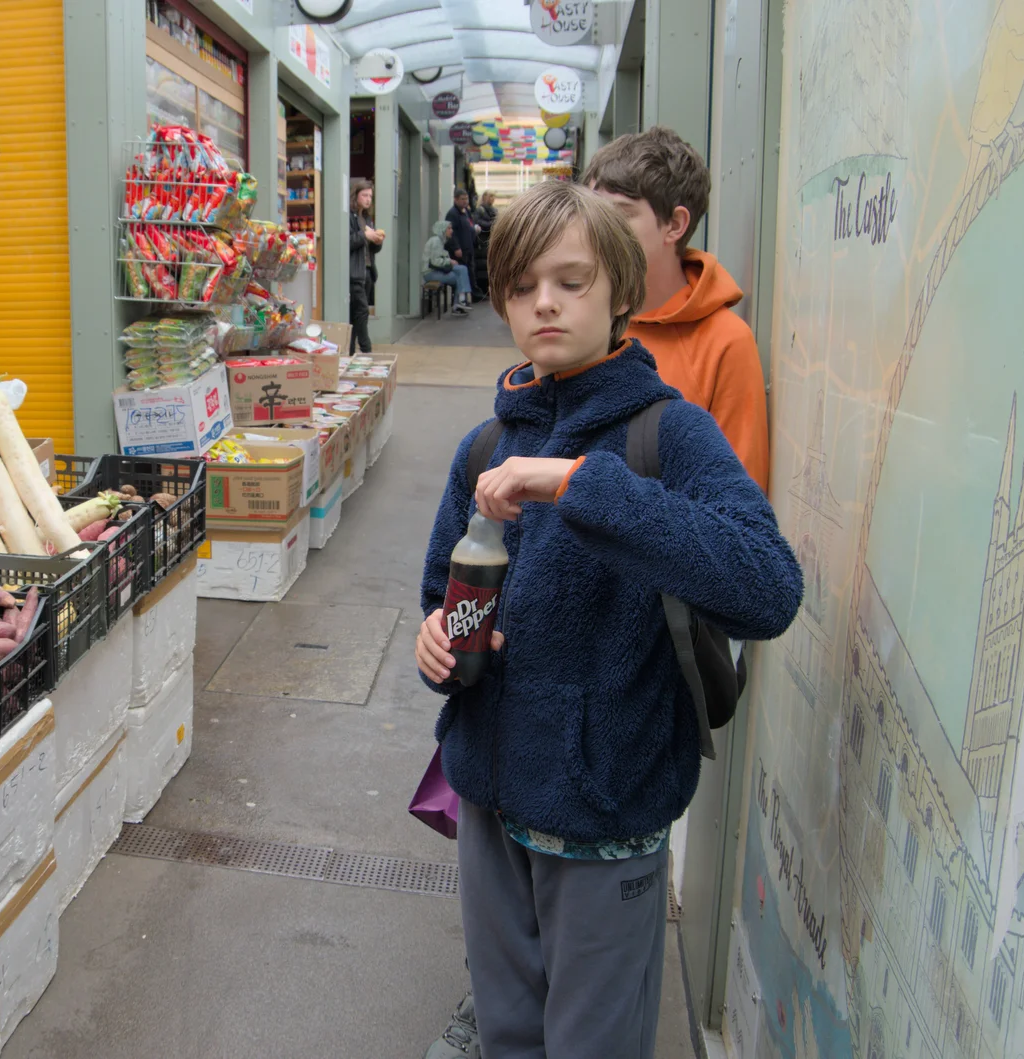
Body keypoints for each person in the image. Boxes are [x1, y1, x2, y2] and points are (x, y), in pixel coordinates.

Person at [415, 181, 801, 1059]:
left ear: (621, 292)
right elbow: (441, 586)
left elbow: (769, 587)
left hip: (607, 813)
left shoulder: (671, 436)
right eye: (521, 286)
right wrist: (433, 640)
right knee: (508, 1033)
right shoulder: (485, 443)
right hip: (487, 799)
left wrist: (579, 483)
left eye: (572, 280)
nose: (544, 302)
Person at [583, 126, 770, 491]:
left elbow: (739, 504)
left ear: (675, 225)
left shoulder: (725, 341)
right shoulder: (578, 317)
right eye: (592, 213)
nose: (596, 231)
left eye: (619, 214)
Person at [350, 179, 385, 353]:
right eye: (364, 195)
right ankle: (366, 348)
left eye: (370, 196)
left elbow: (373, 249)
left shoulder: (367, 218)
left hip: (368, 271)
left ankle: (351, 349)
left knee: (358, 315)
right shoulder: (350, 217)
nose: (368, 199)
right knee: (362, 311)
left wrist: (377, 241)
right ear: (355, 196)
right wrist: (365, 236)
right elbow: (347, 242)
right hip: (355, 272)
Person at [423, 220, 472, 315]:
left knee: (461, 270)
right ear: (442, 229)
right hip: (430, 273)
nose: (451, 231)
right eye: (449, 228)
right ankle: (459, 303)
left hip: (435, 271)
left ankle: (460, 302)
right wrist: (449, 261)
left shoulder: (440, 241)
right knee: (459, 276)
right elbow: (435, 261)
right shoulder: (436, 241)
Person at [445, 190, 479, 297]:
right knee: (462, 272)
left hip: (468, 246)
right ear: (455, 199)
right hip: (460, 249)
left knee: (471, 270)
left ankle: (474, 293)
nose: (465, 201)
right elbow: (451, 233)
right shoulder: (452, 214)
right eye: (462, 199)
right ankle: (460, 297)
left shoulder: (466, 212)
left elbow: (470, 225)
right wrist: (456, 247)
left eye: (466, 199)